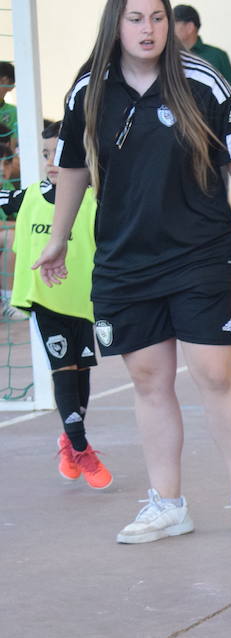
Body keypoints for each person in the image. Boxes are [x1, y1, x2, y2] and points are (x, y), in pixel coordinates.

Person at [34, 0, 231, 543]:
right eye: (136, 18)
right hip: (125, 260)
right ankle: (168, 505)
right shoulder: (88, 91)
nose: (149, 29)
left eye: (158, 17)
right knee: (149, 381)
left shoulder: (202, 82)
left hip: (200, 252)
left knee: (216, 374)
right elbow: (72, 166)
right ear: (114, 24)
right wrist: (57, 238)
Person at [1, 120, 112, 489]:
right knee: (62, 370)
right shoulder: (28, 196)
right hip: (45, 300)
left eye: (60, 154)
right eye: (46, 153)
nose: (52, 161)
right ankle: (81, 447)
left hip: (83, 301)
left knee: (82, 377)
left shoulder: (96, 200)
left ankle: (68, 439)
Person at [172, 5, 231, 90]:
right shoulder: (168, 56)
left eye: (173, 23)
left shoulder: (218, 56)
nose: (169, 29)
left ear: (189, 27)